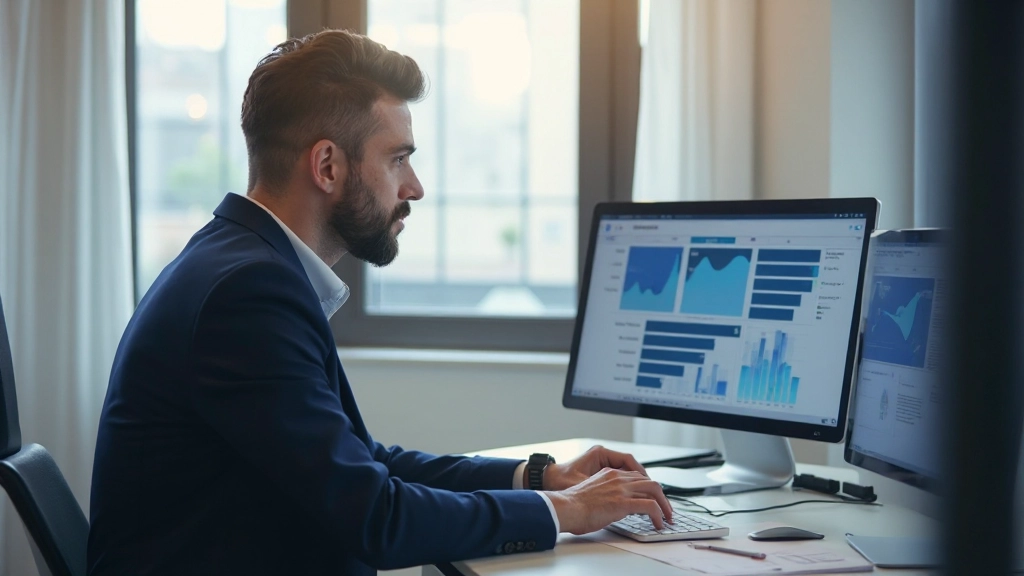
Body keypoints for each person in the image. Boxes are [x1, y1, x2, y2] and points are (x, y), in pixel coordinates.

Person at [87, 29, 671, 576]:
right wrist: (567, 512)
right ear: (327, 166)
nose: (414, 186)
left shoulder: (241, 263)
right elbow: (374, 516)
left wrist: (541, 477)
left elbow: (363, 462)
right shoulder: (247, 294)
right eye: (398, 159)